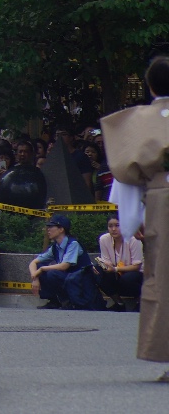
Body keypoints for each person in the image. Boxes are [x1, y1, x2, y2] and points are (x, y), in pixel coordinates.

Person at [103, 54, 169, 374]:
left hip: (161, 202)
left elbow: (126, 177)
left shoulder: (139, 121)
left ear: (150, 86)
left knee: (164, 277)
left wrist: (130, 222)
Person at [29, 214, 98, 310]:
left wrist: (41, 269)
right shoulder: (55, 247)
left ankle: (69, 301)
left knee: (51, 273)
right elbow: (34, 262)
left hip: (79, 281)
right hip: (68, 278)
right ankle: (54, 301)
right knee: (41, 266)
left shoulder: (73, 244)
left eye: (51, 227)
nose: (48, 230)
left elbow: (64, 266)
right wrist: (35, 278)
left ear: (61, 229)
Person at [95, 215, 144, 311]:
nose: (113, 229)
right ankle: (119, 302)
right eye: (110, 226)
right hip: (116, 273)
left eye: (117, 225)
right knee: (98, 271)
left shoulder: (134, 239)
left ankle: (140, 301)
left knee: (128, 278)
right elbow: (107, 262)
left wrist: (115, 269)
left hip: (136, 274)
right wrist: (103, 265)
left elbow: (137, 266)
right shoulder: (104, 239)